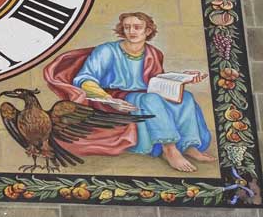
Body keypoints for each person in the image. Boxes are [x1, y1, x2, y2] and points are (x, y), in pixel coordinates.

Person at [44, 12, 215, 173]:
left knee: (186, 97)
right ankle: (169, 148)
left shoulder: (154, 53)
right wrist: (107, 98)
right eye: (127, 27)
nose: (131, 31)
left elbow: (156, 81)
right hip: (114, 97)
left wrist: (183, 78)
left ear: (148, 31)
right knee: (151, 100)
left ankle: (189, 146)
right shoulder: (106, 51)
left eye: (137, 27)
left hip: (147, 93)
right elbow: (84, 79)